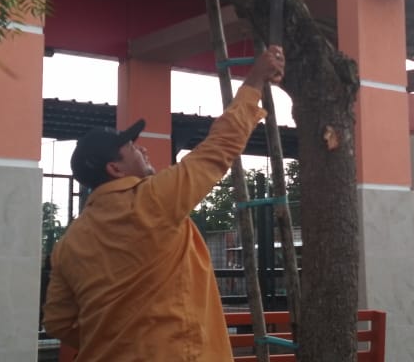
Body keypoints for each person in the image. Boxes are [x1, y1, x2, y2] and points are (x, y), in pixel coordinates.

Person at [43, 46, 285, 361]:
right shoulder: (153, 200)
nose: (142, 149)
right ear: (115, 169)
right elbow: (219, 147)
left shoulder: (68, 244)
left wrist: (113, 337)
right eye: (132, 148)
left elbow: (58, 321)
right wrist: (254, 82)